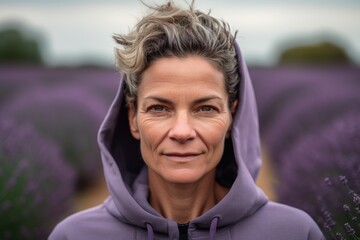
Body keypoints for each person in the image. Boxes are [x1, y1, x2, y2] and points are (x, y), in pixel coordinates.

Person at [49, 1, 325, 239]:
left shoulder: (294, 232)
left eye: (205, 109)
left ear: (232, 117)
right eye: (159, 108)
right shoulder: (74, 235)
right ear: (133, 118)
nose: (182, 131)